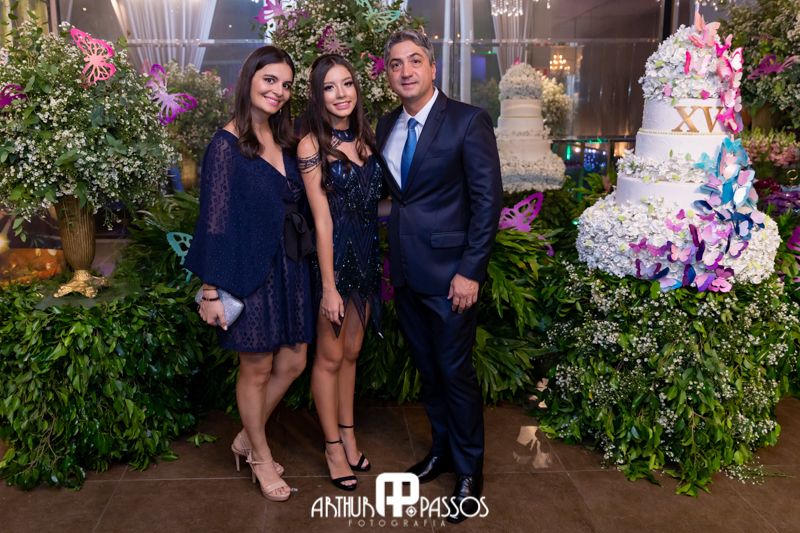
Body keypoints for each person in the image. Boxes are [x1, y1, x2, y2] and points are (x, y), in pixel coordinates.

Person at [375, 30, 503, 523]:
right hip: (407, 274)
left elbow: (487, 202)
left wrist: (470, 271)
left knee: (455, 374)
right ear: (388, 75)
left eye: (415, 61)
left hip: (452, 278)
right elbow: (400, 198)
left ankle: (470, 472)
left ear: (432, 68)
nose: (405, 71)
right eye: (395, 64)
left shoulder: (468, 121)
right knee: (429, 373)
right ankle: (442, 452)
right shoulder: (387, 124)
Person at [184, 45, 314, 502]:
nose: (278, 91)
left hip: (290, 269)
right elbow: (214, 222)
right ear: (249, 80)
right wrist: (210, 291)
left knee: (294, 362)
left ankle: (245, 437)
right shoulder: (225, 145)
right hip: (248, 272)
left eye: (286, 85)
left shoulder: (285, 138)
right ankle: (260, 456)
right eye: (270, 80)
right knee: (256, 369)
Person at [297, 54, 391, 491]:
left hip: (367, 260)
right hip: (333, 264)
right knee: (330, 358)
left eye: (347, 83)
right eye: (330, 87)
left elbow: (375, 207)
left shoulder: (367, 139)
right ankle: (332, 446)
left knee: (351, 354)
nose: (341, 94)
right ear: (317, 96)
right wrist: (329, 287)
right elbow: (322, 220)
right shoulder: (311, 146)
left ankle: (349, 437)